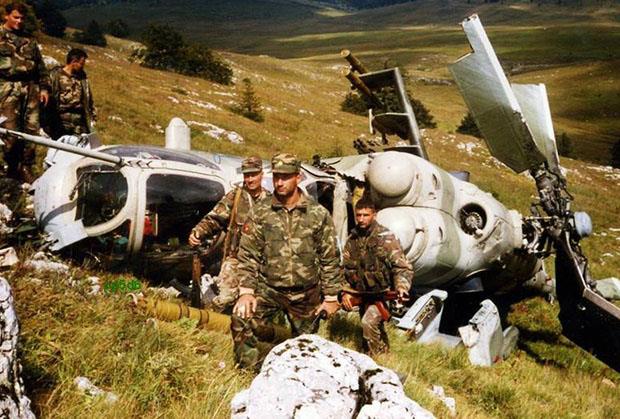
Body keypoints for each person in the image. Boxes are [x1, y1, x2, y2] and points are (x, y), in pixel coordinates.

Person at [231, 153, 343, 369]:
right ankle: (250, 371)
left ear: (298, 177)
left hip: (306, 294)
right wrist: (246, 292)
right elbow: (248, 254)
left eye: (286, 177)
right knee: (240, 317)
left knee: (306, 351)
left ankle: (296, 374)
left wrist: (331, 297)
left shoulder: (317, 214)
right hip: (269, 290)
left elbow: (329, 257)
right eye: (276, 177)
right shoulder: (260, 212)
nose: (279, 183)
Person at [189, 156, 270, 312]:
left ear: (261, 174)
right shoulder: (235, 197)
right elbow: (215, 218)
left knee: (257, 306)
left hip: (261, 263)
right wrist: (198, 232)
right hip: (235, 260)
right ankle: (209, 320)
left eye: (254, 175)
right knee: (225, 299)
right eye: (247, 175)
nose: (250, 179)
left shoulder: (271, 202)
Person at [341, 198, 413, 355]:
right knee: (371, 329)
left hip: (384, 294)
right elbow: (345, 269)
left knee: (369, 322)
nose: (361, 219)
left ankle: (376, 358)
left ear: (374, 215)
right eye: (358, 215)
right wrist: (345, 292)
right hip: (362, 294)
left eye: (365, 215)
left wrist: (401, 287)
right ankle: (383, 354)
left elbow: (402, 267)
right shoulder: (352, 240)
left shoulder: (386, 238)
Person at [0, 2, 50, 183]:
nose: (19, 21)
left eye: (22, 18)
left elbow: (40, 66)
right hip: (7, 89)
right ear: (6, 16)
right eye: (16, 17)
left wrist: (44, 88)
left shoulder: (29, 40)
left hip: (30, 89)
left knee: (31, 129)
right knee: (9, 130)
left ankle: (26, 167)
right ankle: (11, 167)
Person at [46, 48, 96, 139]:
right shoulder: (55, 76)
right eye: (81, 64)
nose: (82, 67)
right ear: (74, 61)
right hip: (60, 121)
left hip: (79, 122)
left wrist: (92, 115)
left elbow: (88, 99)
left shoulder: (82, 78)